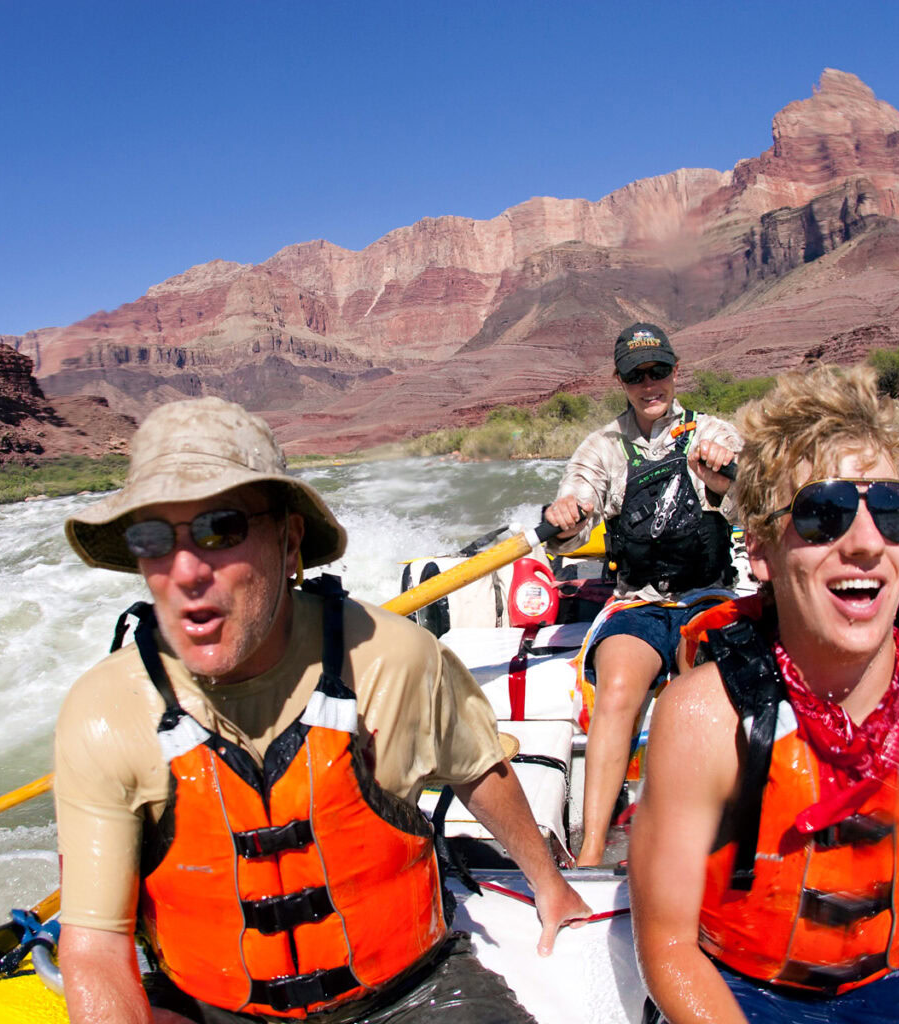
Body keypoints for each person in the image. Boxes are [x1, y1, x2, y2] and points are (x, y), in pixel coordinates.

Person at [54, 397, 589, 1024]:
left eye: (219, 529)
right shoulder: (104, 714)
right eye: (152, 539)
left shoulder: (394, 659)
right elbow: (94, 944)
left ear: (289, 541)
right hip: (212, 1011)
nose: (187, 571)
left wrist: (551, 886)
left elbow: (475, 768)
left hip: (410, 994)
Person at [630, 365, 899, 1024]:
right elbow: (669, 948)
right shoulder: (703, 717)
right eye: (822, 514)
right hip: (743, 985)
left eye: (892, 511)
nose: (866, 542)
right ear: (759, 552)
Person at [543, 322, 740, 866]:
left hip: (708, 595)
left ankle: (705, 844)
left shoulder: (713, 434)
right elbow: (573, 522)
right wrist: (564, 519)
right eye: (637, 375)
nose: (649, 383)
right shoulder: (602, 447)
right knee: (618, 688)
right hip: (639, 599)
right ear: (622, 381)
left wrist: (727, 483)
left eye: (659, 371)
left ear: (676, 371)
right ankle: (589, 852)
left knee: (699, 683)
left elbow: (758, 508)